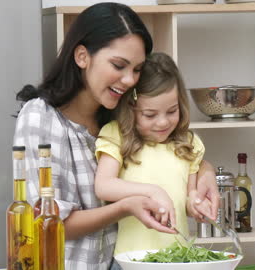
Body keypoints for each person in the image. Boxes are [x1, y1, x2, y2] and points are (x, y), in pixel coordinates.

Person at [13, 3, 220, 269]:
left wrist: (205, 171)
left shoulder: (121, 115)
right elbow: (51, 223)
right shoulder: (41, 117)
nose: (129, 80)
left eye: (136, 70)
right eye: (119, 65)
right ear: (82, 56)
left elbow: (165, 153)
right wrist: (126, 206)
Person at [94, 52, 210, 257]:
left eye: (172, 111)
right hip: (131, 260)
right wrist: (152, 191)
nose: (163, 122)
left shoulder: (189, 144)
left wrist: (197, 205)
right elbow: (103, 186)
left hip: (178, 257)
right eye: (150, 115)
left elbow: (188, 199)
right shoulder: (117, 136)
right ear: (130, 108)